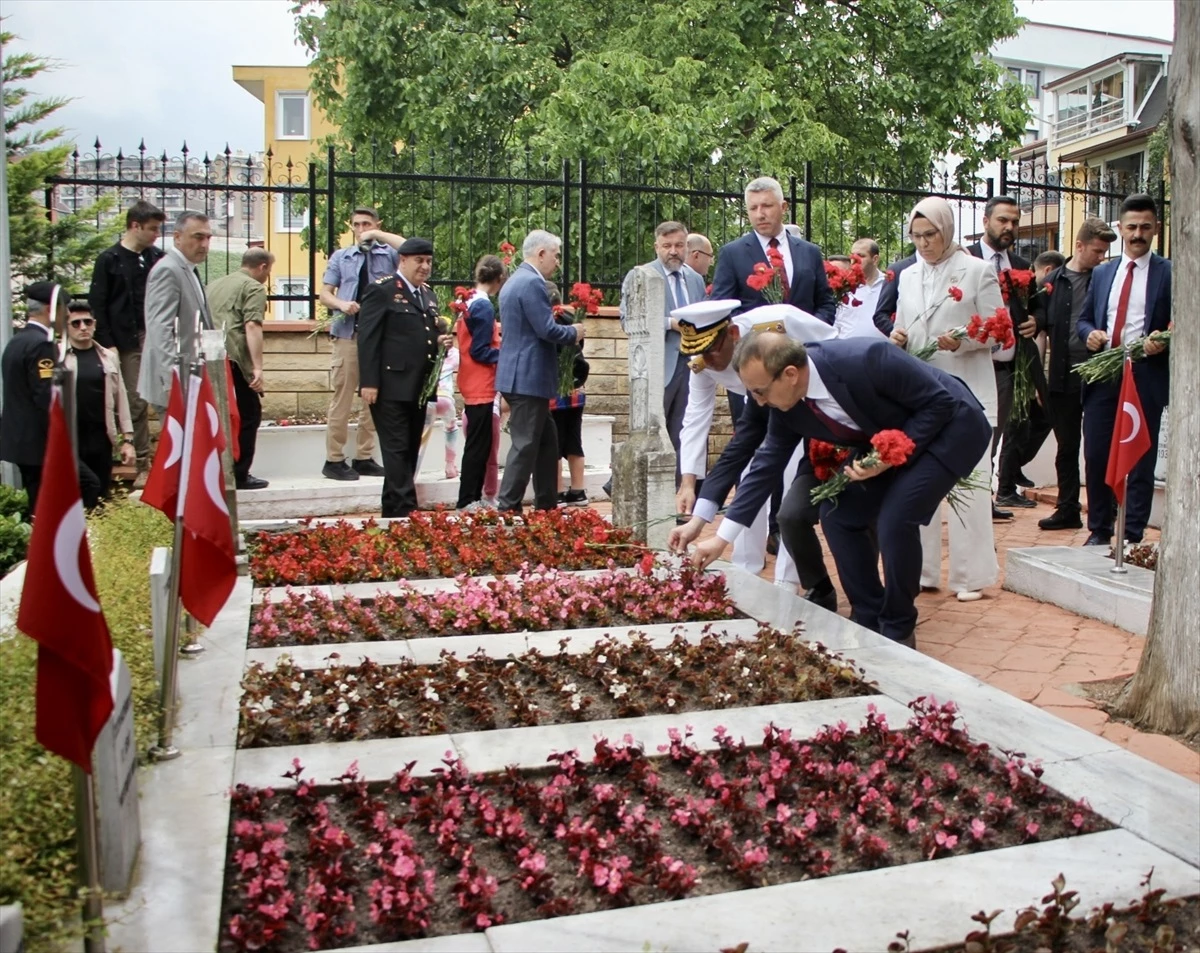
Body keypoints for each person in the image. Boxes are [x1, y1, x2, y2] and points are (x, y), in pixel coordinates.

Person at [671, 331, 991, 649]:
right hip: (884, 442)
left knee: (897, 517)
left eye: (759, 391)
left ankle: (898, 625)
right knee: (838, 513)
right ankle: (868, 615)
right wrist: (721, 538)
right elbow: (764, 466)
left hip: (951, 428)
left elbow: (940, 403)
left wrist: (885, 458)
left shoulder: (867, 358)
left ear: (790, 375)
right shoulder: (788, 408)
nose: (758, 401)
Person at [674, 299, 834, 588]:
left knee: (789, 487)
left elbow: (833, 348)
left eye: (710, 350)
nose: (705, 360)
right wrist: (690, 489)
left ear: (733, 334)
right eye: (698, 352)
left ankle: (787, 579)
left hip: (807, 406)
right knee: (749, 475)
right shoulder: (703, 361)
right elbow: (697, 418)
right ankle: (744, 570)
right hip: (761, 409)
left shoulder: (778, 321)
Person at [889, 196, 1003, 603]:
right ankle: (922, 569)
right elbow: (904, 325)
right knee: (920, 483)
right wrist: (897, 337)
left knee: (969, 486)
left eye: (930, 235)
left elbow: (998, 331)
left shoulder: (977, 271)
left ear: (947, 230)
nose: (923, 243)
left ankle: (970, 576)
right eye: (917, 236)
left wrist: (965, 340)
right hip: (920, 394)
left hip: (966, 391)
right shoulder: (906, 276)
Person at [1077, 193, 1171, 548]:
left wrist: (1163, 339)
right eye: (1131, 227)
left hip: (1145, 377)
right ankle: (1099, 530)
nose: (1137, 234)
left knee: (1141, 458)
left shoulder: (1169, 272)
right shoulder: (1103, 273)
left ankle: (1132, 532)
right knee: (1098, 454)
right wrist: (1090, 336)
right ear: (1121, 227)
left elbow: (1183, 322)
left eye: (1145, 227)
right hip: (1104, 375)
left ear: (1156, 229)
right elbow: (1084, 320)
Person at [1034, 219, 1117, 532]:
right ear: (1079, 246)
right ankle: (1067, 507)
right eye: (1096, 250)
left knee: (1100, 446)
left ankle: (1105, 509)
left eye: (1105, 251)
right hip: (1062, 374)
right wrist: (1037, 382)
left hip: (1100, 372)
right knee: (1067, 446)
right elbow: (1038, 330)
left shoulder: (1106, 278)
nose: (1101, 256)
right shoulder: (1051, 282)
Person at [494, 230, 584, 513]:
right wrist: (574, 331)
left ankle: (546, 504)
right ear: (541, 253)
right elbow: (545, 329)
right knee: (525, 444)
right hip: (527, 377)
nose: (557, 262)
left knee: (547, 442)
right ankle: (507, 507)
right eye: (555, 255)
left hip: (520, 375)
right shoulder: (533, 282)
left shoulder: (513, 281)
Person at [357, 237, 448, 518]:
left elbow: (425, 334)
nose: (425, 266)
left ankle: (392, 510)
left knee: (408, 450)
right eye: (419, 261)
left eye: (429, 261)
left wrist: (441, 340)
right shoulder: (382, 290)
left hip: (418, 387)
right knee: (396, 449)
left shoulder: (427, 295)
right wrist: (369, 382)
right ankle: (408, 512)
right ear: (403, 260)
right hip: (389, 386)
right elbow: (368, 339)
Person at [318, 207, 406, 482]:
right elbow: (324, 294)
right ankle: (333, 459)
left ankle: (364, 457)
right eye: (356, 224)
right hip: (349, 335)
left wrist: (377, 235)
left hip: (381, 337)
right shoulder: (342, 257)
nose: (361, 229)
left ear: (377, 224)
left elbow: (409, 248)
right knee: (342, 400)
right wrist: (341, 304)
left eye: (366, 224)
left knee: (373, 398)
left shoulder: (389, 254)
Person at [619, 221, 707, 487]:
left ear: (686, 247)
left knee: (684, 431)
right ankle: (635, 486)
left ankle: (678, 494)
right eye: (667, 246)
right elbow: (627, 320)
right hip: (659, 364)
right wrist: (670, 323)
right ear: (656, 246)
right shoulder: (640, 276)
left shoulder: (695, 279)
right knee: (653, 430)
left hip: (691, 363)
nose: (673, 251)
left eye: (679, 245)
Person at [965, 196, 1034, 520]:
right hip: (968, 362)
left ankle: (982, 502)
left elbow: (1035, 308)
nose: (1009, 227)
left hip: (1005, 367)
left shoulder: (1020, 265)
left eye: (1015, 222)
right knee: (967, 432)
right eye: (1003, 220)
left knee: (993, 434)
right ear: (986, 221)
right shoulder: (967, 258)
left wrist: (1036, 321)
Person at [88, 200, 166, 487]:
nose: (157, 234)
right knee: (135, 401)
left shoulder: (157, 257)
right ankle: (141, 464)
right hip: (126, 341)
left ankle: (171, 461)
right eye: (153, 229)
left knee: (166, 397)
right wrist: (108, 344)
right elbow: (99, 302)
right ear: (135, 226)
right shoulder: (109, 259)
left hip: (157, 338)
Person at [992, 248, 1066, 505]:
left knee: (1028, 423)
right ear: (1048, 270)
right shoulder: (1038, 286)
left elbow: (1039, 324)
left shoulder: (1030, 289)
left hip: (1025, 365)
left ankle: (1011, 473)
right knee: (1015, 426)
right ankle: (1005, 484)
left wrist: (1034, 319)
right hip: (1005, 365)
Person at [708, 176, 838, 323]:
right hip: (755, 343)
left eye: (767, 206)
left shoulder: (809, 252)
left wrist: (809, 329)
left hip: (806, 343)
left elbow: (826, 304)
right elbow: (722, 308)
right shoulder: (732, 254)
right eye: (753, 208)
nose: (760, 215)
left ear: (783, 207)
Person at [207, 248, 275, 490]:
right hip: (233, 358)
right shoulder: (254, 287)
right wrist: (257, 368)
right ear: (263, 267)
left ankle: (216, 470)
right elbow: (253, 326)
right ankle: (239, 473)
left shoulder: (214, 285)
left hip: (208, 356)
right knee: (249, 414)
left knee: (218, 416)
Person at [60, 302, 135, 508]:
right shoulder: (58, 357)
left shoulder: (108, 357)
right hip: (72, 436)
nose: (83, 327)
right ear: (66, 327)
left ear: (94, 324)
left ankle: (98, 537)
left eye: (87, 322)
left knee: (101, 492)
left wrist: (127, 439)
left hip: (102, 435)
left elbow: (121, 397)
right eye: (76, 323)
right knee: (77, 491)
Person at [1, 283, 68, 513]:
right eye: (63, 308)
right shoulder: (41, 345)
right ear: (50, 309)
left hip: (22, 440)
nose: (67, 314)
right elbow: (44, 396)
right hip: (38, 441)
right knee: (83, 485)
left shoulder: (17, 341)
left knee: (38, 502)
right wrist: (58, 437)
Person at [138, 210, 214, 411]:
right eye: (198, 237)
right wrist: (172, 382)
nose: (205, 244)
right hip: (177, 384)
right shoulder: (168, 270)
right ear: (177, 237)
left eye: (208, 237)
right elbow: (160, 330)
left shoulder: (188, 268)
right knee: (180, 442)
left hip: (193, 379)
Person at [455, 254, 506, 510]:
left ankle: (473, 498)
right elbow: (480, 350)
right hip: (481, 383)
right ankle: (468, 499)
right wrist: (505, 353)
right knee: (478, 445)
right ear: (499, 280)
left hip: (472, 380)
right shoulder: (483, 306)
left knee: (479, 443)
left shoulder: (469, 301)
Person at [546, 282, 589, 507]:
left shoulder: (548, 324)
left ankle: (558, 491)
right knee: (574, 439)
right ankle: (578, 490)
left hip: (554, 391)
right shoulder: (571, 320)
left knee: (554, 442)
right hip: (576, 390)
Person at [832, 239, 888, 339]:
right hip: (848, 349)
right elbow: (835, 321)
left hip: (881, 350)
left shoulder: (888, 284)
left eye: (861, 256)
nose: (855, 260)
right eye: (853, 255)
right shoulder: (845, 285)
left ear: (875, 259)